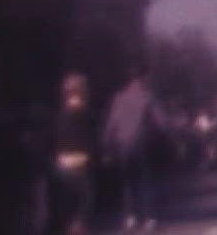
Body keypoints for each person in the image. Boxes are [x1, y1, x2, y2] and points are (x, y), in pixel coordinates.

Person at [103, 71, 160, 231]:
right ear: (141, 81)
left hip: (122, 145)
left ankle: (130, 218)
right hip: (141, 144)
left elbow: (111, 124)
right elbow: (160, 121)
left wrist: (107, 146)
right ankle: (148, 218)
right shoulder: (148, 97)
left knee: (127, 183)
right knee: (144, 182)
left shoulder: (118, 98)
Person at [50, 74, 96, 235]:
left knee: (67, 204)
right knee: (84, 203)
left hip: (61, 162)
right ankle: (77, 228)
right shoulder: (81, 111)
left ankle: (71, 227)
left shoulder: (61, 113)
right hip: (79, 161)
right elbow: (89, 137)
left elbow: (56, 136)